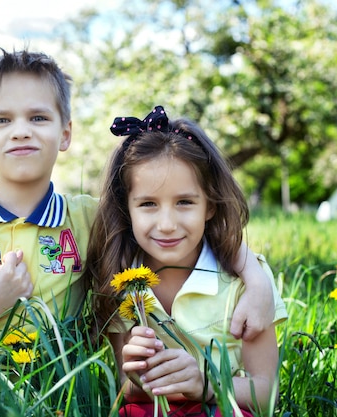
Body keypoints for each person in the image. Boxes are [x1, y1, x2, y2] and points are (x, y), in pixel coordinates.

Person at [0, 51, 275, 411]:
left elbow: (188, 233)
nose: (20, 131)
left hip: (54, 393)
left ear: (65, 133)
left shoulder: (91, 217)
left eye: (38, 117)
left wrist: (255, 281)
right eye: (2, 120)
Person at [84, 106, 288, 416]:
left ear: (210, 205)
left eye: (184, 202)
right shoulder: (121, 281)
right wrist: (140, 378)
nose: (167, 224)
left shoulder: (244, 285)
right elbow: (125, 386)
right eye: (148, 204)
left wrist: (206, 385)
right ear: (127, 209)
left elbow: (266, 393)